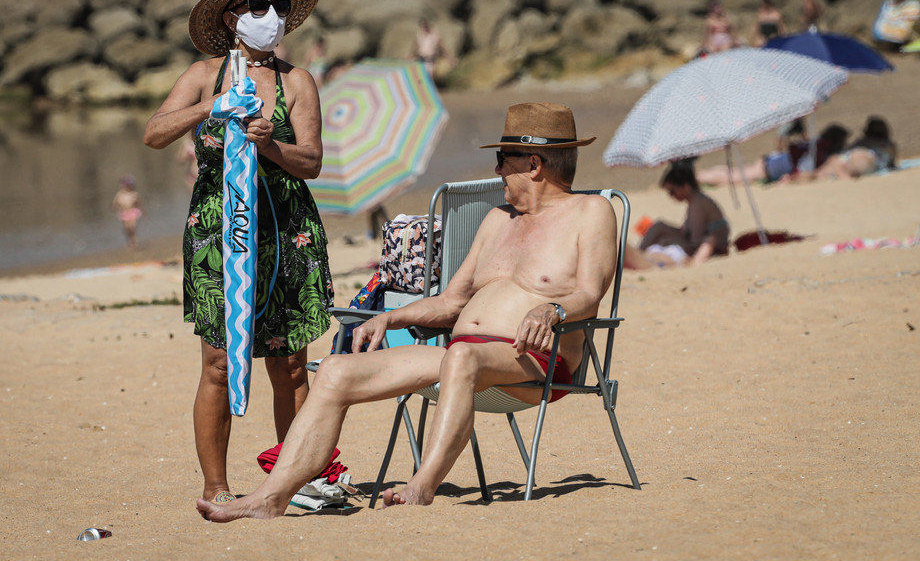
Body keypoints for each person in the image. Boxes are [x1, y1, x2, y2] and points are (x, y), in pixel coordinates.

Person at [195, 101, 618, 520]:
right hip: (459, 357)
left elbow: (590, 292)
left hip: (536, 360)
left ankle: (422, 485)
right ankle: (272, 497)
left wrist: (552, 311)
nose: (496, 171)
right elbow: (452, 302)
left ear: (534, 163)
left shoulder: (590, 212)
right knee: (336, 372)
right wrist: (389, 317)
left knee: (461, 356)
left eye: (501, 160)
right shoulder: (497, 219)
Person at [143, 0, 335, 504]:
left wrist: (272, 145)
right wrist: (213, 105)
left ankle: (296, 481)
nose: (269, 14)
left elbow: (313, 161)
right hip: (218, 234)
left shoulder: (298, 82)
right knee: (217, 361)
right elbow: (155, 133)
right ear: (232, 17)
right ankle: (217, 486)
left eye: (276, 4)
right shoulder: (204, 73)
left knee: (290, 362)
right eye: (257, 3)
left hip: (285, 233)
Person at [626, 161, 729, 269]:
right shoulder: (697, 200)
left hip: (709, 247)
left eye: (672, 191)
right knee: (661, 230)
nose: (671, 196)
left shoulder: (698, 204)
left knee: (660, 228)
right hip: (708, 243)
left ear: (685, 185)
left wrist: (670, 239)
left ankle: (637, 254)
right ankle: (638, 254)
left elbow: (695, 241)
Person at [695, 118, 810, 187]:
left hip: (769, 163)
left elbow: (781, 141)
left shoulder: (809, 151)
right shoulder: (811, 153)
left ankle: (701, 174)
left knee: (734, 173)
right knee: (732, 176)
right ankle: (699, 177)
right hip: (766, 168)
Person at [807, 116, 897, 180]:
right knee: (851, 168)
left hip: (849, 156)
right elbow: (891, 163)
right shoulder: (888, 144)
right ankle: (840, 173)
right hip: (867, 157)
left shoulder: (862, 140)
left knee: (822, 173)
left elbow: (847, 150)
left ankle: (810, 176)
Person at [112, 173, 143, 249]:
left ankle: (134, 240)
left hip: (131, 211)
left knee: (132, 227)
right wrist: (115, 207)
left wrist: (142, 210)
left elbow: (138, 202)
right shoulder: (120, 194)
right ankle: (129, 241)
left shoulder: (134, 194)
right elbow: (116, 202)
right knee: (126, 228)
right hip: (124, 212)